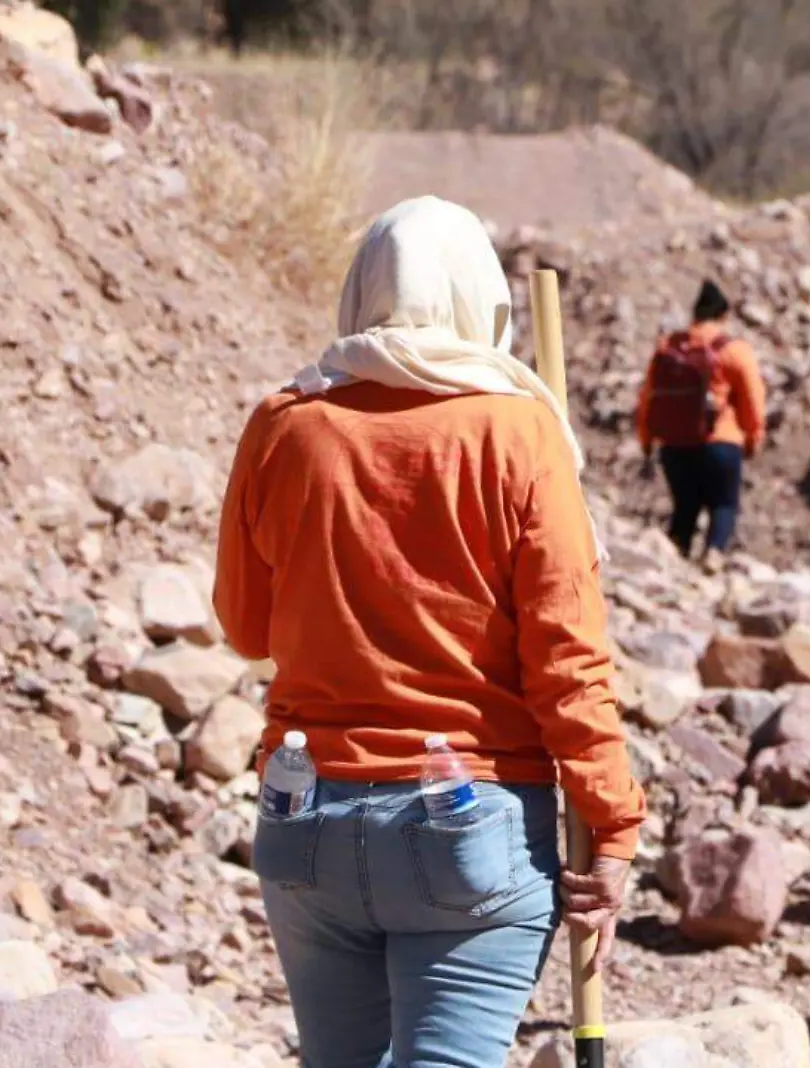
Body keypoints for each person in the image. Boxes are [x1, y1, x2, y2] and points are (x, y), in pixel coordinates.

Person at [214, 196, 647, 1068]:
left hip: (309, 823)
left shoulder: (283, 424)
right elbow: (567, 661)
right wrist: (611, 823)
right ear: (477, 300)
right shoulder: (522, 432)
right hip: (471, 823)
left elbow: (246, 627)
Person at [635, 280, 767, 568]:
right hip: (720, 442)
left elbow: (647, 396)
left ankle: (672, 558)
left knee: (685, 505)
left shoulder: (668, 347)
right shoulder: (733, 350)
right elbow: (753, 398)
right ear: (723, 316)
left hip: (674, 445)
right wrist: (753, 437)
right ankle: (714, 553)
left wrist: (646, 439)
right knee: (724, 504)